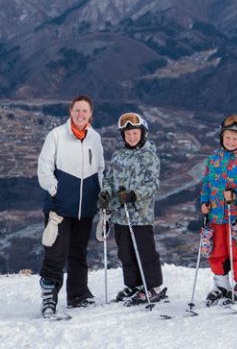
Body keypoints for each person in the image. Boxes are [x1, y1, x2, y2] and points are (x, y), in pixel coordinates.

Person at [37, 94, 105, 317]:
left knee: (78, 253)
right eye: (77, 110)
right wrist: (57, 191)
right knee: (55, 253)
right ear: (70, 112)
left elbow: (100, 169)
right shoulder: (56, 135)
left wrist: (102, 193)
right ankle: (49, 299)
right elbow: (44, 168)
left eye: (85, 111)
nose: (80, 114)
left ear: (91, 114)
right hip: (59, 208)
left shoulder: (95, 138)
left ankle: (78, 295)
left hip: (85, 209)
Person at [98, 112, 167, 306]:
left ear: (143, 133)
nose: (131, 137)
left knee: (144, 250)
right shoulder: (118, 156)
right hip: (120, 213)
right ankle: (134, 284)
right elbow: (109, 179)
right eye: (127, 134)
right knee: (125, 252)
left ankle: (152, 286)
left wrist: (134, 195)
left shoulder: (149, 157)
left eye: (135, 133)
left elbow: (152, 184)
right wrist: (105, 194)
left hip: (140, 214)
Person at [200, 114, 237, 304]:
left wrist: (236, 193)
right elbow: (206, 184)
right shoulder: (213, 159)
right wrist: (204, 202)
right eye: (228, 137)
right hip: (216, 215)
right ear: (221, 137)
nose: (231, 141)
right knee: (217, 250)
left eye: (235, 138)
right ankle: (221, 284)